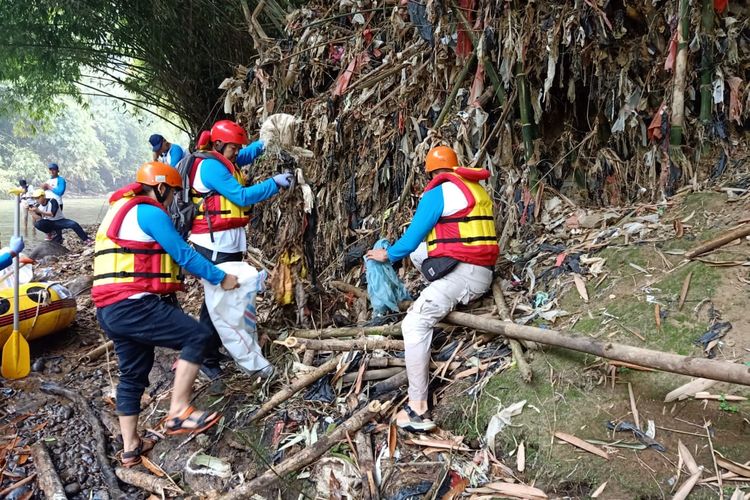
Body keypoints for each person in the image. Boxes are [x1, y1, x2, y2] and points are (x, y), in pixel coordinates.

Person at [92, 161, 240, 467]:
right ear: (160, 188)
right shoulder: (149, 212)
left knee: (132, 375)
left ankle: (131, 447)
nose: (173, 200)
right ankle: (179, 411)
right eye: (172, 193)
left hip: (109, 310)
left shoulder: (117, 210)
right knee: (198, 335)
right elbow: (182, 254)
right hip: (134, 304)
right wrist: (219, 277)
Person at [365, 146, 498, 433]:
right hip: (483, 271)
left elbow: (411, 238)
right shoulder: (474, 188)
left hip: (464, 276)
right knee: (422, 253)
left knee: (413, 324)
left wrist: (386, 255)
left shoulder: (437, 193)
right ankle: (438, 293)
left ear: (430, 172)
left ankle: (418, 409)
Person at [188, 119, 293, 380]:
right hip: (213, 247)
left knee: (215, 302)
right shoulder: (211, 167)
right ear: (219, 144)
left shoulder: (223, 159)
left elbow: (245, 155)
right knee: (218, 304)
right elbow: (242, 197)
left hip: (225, 244)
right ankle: (205, 359)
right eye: (233, 148)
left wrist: (264, 143)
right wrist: (275, 183)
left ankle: (211, 350)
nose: (237, 153)